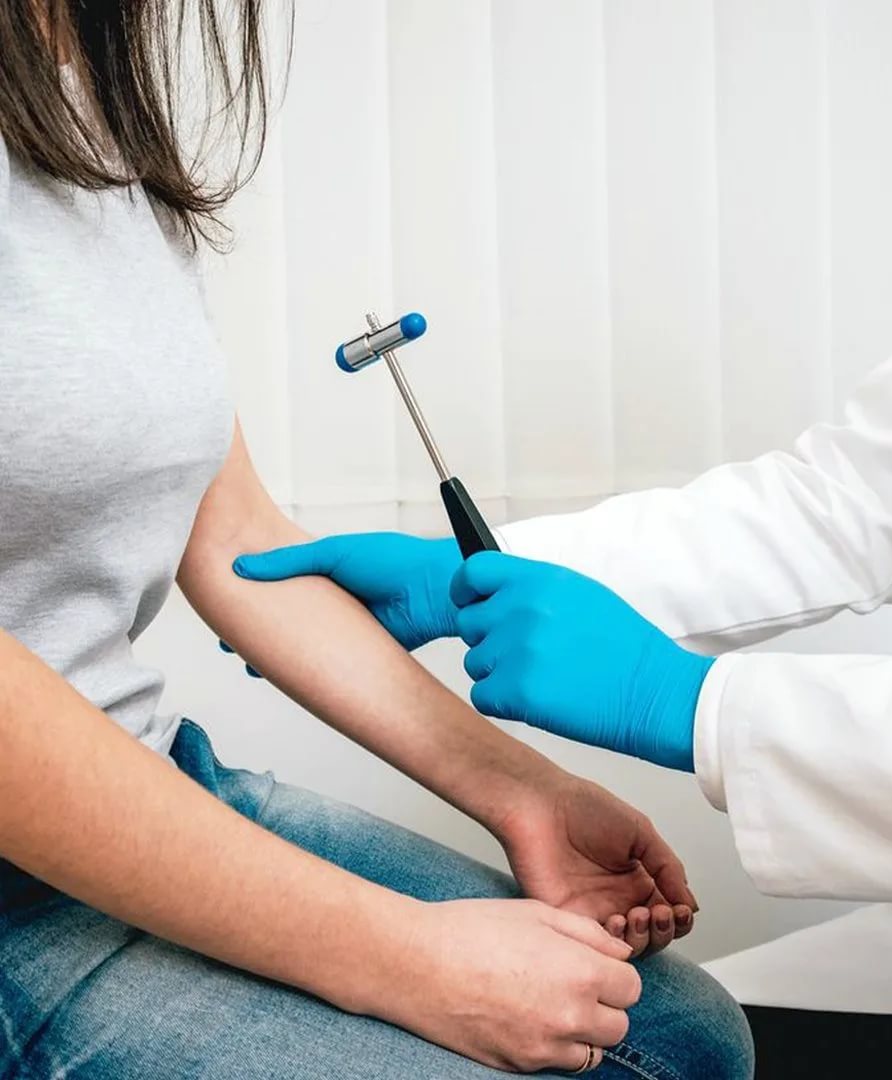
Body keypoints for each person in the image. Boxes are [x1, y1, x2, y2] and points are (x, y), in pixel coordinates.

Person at [236, 111, 892, 1078]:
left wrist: (686, 702)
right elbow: (854, 501)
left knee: (672, 1045)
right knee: (680, 1041)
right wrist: (470, 568)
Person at [0, 3, 756, 1077]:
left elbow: (236, 540)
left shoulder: (90, 125)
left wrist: (522, 792)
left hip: (145, 780)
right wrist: (409, 960)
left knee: (682, 1041)